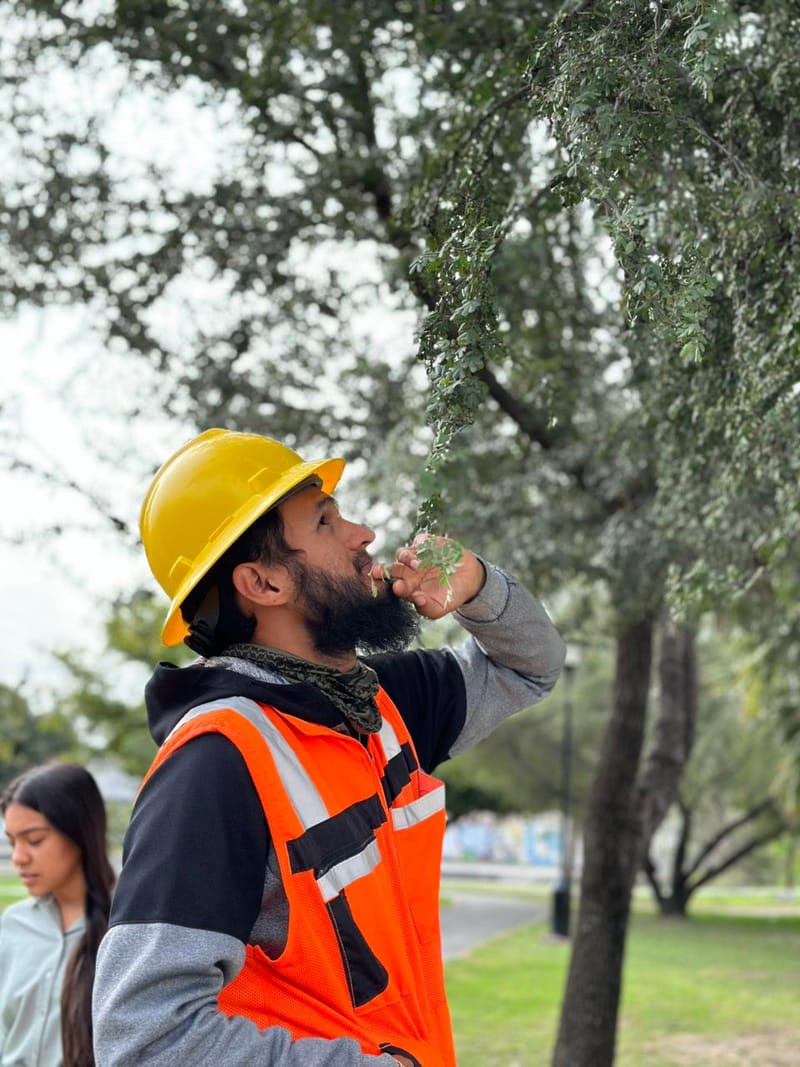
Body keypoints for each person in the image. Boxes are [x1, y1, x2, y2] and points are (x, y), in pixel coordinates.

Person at [92, 428, 566, 1067]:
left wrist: (478, 587)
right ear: (262, 584)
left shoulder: (376, 704)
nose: (363, 534)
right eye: (324, 522)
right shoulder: (215, 765)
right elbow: (142, 1038)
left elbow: (530, 667)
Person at [0, 762, 115, 1067]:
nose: (18, 858)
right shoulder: (12, 925)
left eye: (34, 840)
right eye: (12, 842)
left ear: (79, 834)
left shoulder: (125, 927)